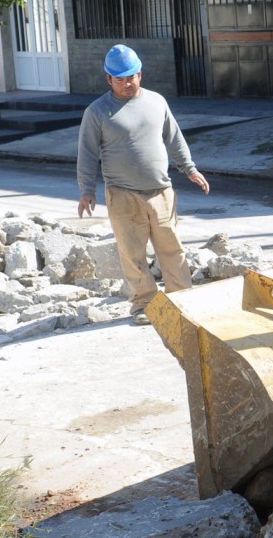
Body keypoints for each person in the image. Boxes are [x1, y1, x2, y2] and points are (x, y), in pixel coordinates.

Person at [77, 44, 210, 326]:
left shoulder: (157, 102)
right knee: (132, 254)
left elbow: (173, 137)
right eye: (121, 78)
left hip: (161, 192)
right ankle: (144, 305)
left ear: (141, 74)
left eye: (132, 76)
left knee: (172, 250)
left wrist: (190, 168)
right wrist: (86, 190)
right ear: (108, 79)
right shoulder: (97, 112)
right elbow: (87, 152)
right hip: (122, 196)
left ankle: (182, 300)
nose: (128, 83)